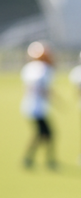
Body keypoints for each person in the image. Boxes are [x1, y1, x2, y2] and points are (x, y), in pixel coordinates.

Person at [20, 41, 58, 170]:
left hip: (29, 105)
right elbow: (44, 89)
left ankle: (31, 159)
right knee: (47, 134)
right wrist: (56, 100)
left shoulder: (28, 68)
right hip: (38, 107)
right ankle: (47, 160)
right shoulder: (44, 69)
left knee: (43, 134)